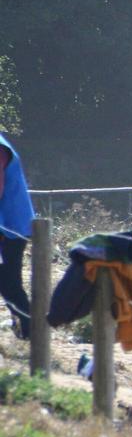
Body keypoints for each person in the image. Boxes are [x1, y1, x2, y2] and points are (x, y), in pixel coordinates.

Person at [0, 132, 34, 339]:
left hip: (10, 227)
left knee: (9, 283)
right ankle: (24, 329)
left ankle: (29, 332)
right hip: (9, 224)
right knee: (7, 282)